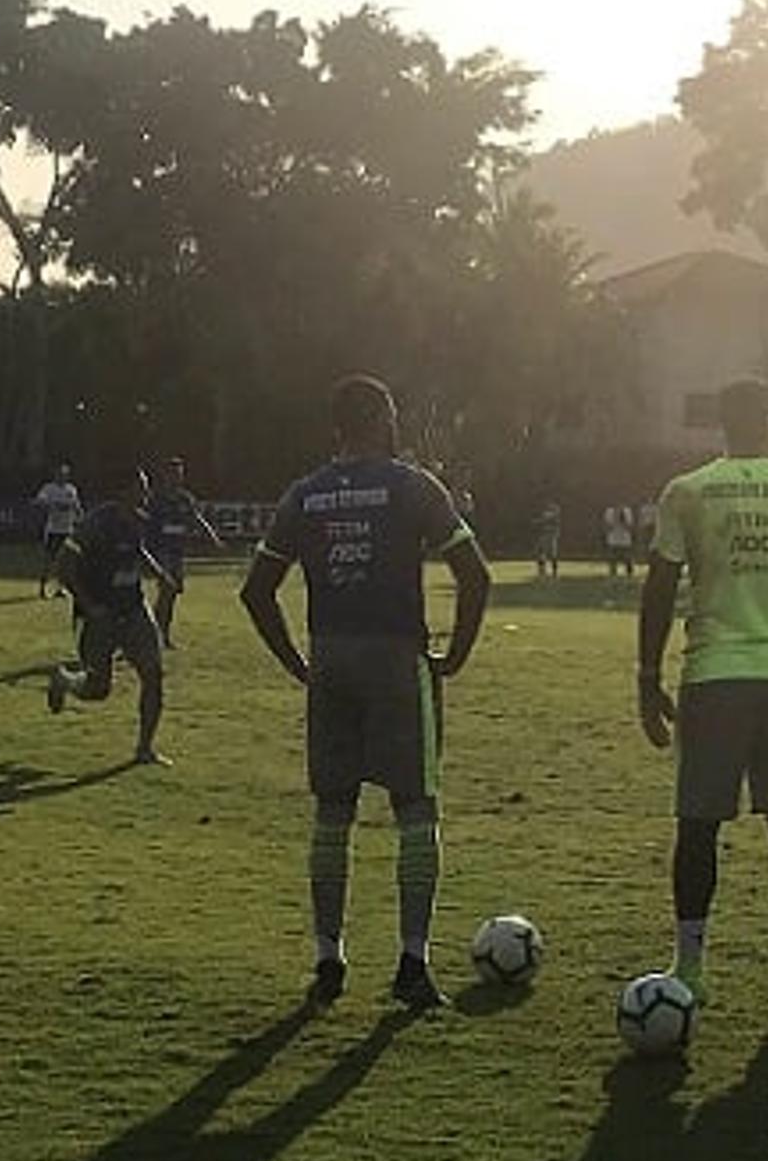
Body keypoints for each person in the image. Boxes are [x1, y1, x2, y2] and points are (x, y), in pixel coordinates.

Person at [240, 374, 491, 1011]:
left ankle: (329, 960)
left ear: (335, 427)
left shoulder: (306, 494)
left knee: (333, 812)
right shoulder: (412, 486)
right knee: (415, 809)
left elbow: (256, 590)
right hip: (396, 658)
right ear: (384, 419)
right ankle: (412, 962)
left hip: (331, 660)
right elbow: (475, 574)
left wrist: (298, 662)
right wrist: (452, 658)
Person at [637, 378, 768, 1005]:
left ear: (720, 424)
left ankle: (689, 966)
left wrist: (647, 681)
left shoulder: (688, 491)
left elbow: (657, 590)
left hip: (711, 676)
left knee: (698, 825)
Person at [47, 466, 180, 765]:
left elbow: (138, 549)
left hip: (133, 607)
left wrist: (159, 574)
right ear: (124, 491)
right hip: (99, 615)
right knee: (98, 690)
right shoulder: (96, 523)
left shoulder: (139, 520)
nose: (146, 494)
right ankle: (65, 681)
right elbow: (63, 567)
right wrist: (90, 605)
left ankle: (144, 749)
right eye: (141, 487)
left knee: (154, 674)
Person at [146, 457, 223, 648]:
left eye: (180, 474)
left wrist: (212, 537)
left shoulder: (185, 498)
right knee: (166, 591)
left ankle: (162, 635)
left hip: (177, 552)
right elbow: (145, 522)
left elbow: (197, 519)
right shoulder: (155, 499)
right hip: (162, 552)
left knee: (171, 595)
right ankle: (154, 636)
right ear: (165, 476)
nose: (177, 478)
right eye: (173, 474)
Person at [33, 463, 82, 598]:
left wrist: (80, 518)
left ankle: (59, 589)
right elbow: (38, 501)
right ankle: (42, 588)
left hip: (67, 530)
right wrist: (52, 504)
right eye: (60, 474)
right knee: (48, 561)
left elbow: (77, 506)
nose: (62, 477)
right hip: (54, 531)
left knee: (65, 563)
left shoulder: (71, 489)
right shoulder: (49, 488)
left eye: (65, 474)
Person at [603, 503, 635, 578]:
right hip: (613, 538)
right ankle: (613, 572)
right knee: (613, 557)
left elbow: (630, 526)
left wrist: (622, 520)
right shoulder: (609, 512)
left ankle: (629, 571)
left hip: (624, 538)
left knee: (627, 556)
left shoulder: (627, 512)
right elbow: (607, 525)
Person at [535, 500, 562, 579]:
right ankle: (542, 572)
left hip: (550, 538)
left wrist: (555, 536)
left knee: (551, 555)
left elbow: (556, 529)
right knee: (543, 554)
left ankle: (552, 573)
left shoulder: (554, 519)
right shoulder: (549, 517)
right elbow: (543, 523)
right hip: (546, 537)